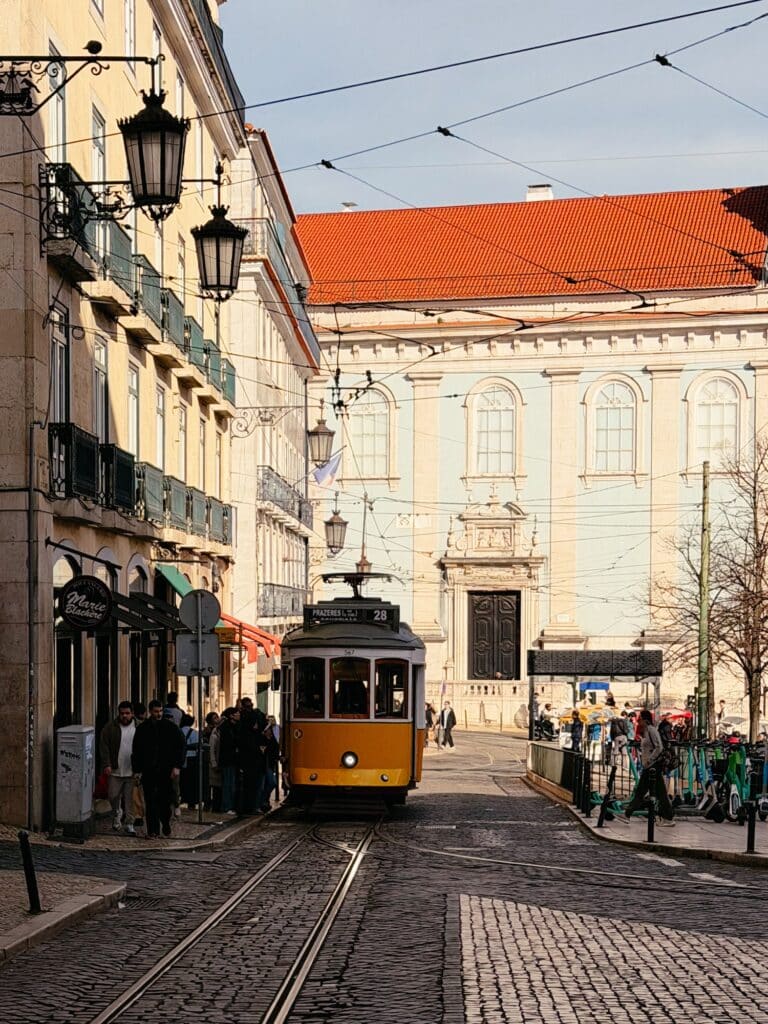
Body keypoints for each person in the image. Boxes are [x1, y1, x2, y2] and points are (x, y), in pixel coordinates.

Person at [132, 699, 185, 838]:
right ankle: (153, 830)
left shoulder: (171, 728)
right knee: (150, 801)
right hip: (148, 770)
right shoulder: (142, 729)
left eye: (160, 711)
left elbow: (180, 747)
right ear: (150, 711)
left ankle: (165, 822)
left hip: (166, 770)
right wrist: (137, 770)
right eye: (156, 711)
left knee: (164, 800)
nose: (159, 714)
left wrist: (177, 766)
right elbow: (136, 750)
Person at [623, 709, 675, 825]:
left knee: (642, 792)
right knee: (658, 793)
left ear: (645, 720)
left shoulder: (651, 730)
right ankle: (668, 817)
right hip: (649, 766)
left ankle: (627, 814)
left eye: (640, 719)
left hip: (652, 766)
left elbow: (659, 747)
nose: (638, 722)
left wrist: (650, 760)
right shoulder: (646, 732)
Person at [99, 700, 137, 836]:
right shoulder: (110, 728)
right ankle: (116, 813)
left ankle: (130, 823)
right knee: (113, 795)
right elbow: (104, 747)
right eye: (122, 714)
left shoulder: (138, 727)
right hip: (115, 770)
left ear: (132, 714)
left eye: (127, 713)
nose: (125, 716)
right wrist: (106, 764)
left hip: (132, 770)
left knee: (130, 798)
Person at [238, 698, 268, 814]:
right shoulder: (245, 723)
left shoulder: (252, 720)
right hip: (250, 761)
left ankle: (253, 806)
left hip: (254, 760)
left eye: (251, 706)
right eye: (247, 706)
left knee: (255, 785)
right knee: (251, 785)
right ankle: (250, 807)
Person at [218, 706, 240, 814]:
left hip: (232, 760)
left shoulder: (233, 726)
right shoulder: (226, 728)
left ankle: (229, 806)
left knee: (231, 784)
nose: (239, 715)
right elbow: (228, 744)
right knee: (228, 784)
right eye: (237, 713)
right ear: (231, 716)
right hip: (228, 760)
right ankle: (227, 806)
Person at [180, 713, 200, 810]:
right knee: (191, 781)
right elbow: (197, 746)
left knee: (182, 780)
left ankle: (183, 797)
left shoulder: (178, 731)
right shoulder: (194, 733)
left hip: (181, 758)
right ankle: (191, 801)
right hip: (192, 758)